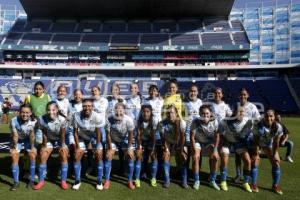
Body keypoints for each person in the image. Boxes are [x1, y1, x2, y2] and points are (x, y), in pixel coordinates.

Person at [33, 101, 69, 190]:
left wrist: (63, 145)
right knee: (43, 154)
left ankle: (63, 181)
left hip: (61, 137)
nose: (51, 112)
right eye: (48, 110)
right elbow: (44, 133)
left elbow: (63, 134)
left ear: (57, 110)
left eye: (53, 110)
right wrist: (44, 145)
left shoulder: (62, 119)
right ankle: (41, 181)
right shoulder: (42, 119)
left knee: (63, 154)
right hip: (49, 137)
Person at [71, 98, 105, 190]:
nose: (87, 108)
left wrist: (97, 146)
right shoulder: (76, 115)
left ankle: (99, 181)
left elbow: (98, 133)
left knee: (99, 154)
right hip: (82, 137)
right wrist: (77, 146)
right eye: (84, 106)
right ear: (82, 107)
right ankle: (77, 180)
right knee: (77, 155)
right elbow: (75, 132)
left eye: (89, 106)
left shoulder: (97, 116)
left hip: (94, 137)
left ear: (92, 107)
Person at [219, 106, 254, 192]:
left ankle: (245, 183)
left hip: (238, 142)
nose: (240, 113)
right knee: (224, 157)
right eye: (239, 111)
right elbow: (220, 132)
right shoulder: (226, 121)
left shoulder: (248, 122)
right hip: (227, 141)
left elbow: (250, 134)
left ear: (245, 113)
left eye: (242, 112)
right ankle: (223, 181)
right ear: (234, 112)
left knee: (248, 161)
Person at [104, 102, 136, 190]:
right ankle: (107, 180)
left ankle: (129, 181)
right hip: (113, 140)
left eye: (121, 111)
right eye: (116, 111)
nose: (119, 113)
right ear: (114, 111)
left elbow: (130, 135)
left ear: (124, 111)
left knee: (130, 156)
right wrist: (110, 148)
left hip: (125, 140)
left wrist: (129, 148)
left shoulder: (129, 120)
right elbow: (107, 135)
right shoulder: (109, 119)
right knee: (108, 156)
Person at [252, 108, 284, 195]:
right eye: (266, 116)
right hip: (257, 143)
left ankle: (275, 185)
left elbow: (276, 142)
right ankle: (254, 184)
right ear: (263, 116)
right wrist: (256, 152)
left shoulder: (278, 127)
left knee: (276, 162)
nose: (269, 118)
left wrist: (274, 154)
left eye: (271, 116)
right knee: (255, 161)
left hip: (269, 144)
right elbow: (255, 141)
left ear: (274, 117)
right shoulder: (258, 125)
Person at [190, 105, 220, 190]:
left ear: (210, 114)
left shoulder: (215, 122)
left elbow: (217, 136)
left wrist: (215, 150)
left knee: (216, 157)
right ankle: (196, 180)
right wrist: (194, 149)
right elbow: (192, 137)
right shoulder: (195, 121)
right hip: (198, 142)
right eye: (203, 113)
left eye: (207, 113)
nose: (205, 115)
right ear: (199, 114)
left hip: (208, 142)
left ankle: (212, 180)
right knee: (196, 157)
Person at [234, 88, 261, 183]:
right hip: (238, 136)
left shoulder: (252, 106)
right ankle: (238, 175)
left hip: (250, 136)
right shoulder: (236, 106)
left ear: (248, 95)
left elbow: (258, 119)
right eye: (241, 94)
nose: (243, 96)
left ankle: (248, 176)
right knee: (238, 157)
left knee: (251, 157)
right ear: (239, 96)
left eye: (244, 94)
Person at [9, 104, 37, 191]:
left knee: (32, 155)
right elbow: (15, 136)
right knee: (14, 156)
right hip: (18, 140)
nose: (25, 114)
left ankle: (32, 180)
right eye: (22, 112)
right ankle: (16, 182)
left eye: (27, 113)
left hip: (28, 140)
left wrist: (32, 147)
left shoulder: (34, 121)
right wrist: (14, 147)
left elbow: (32, 136)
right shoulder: (13, 120)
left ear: (31, 113)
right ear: (19, 112)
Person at [158, 105, 186, 188]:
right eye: (168, 113)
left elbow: (183, 137)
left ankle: (184, 180)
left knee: (183, 157)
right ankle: (167, 180)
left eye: (172, 112)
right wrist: (166, 148)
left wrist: (181, 150)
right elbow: (163, 138)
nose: (170, 115)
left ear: (176, 113)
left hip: (179, 142)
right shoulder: (161, 124)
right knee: (165, 156)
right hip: (168, 142)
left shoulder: (182, 123)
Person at [182, 84, 202, 187]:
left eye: (195, 91)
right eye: (191, 91)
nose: (193, 93)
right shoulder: (186, 104)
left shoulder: (200, 103)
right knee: (186, 158)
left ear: (197, 92)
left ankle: (196, 179)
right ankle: (185, 180)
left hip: (198, 135)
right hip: (187, 134)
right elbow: (183, 120)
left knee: (197, 158)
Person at [142, 84, 164, 179]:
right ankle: (144, 172)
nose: (153, 92)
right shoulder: (145, 101)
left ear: (157, 92)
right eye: (151, 90)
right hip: (148, 128)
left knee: (158, 152)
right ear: (149, 92)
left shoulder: (161, 101)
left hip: (158, 128)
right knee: (146, 152)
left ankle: (158, 172)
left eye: (155, 90)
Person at [135, 104, 158, 187]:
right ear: (141, 112)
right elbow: (138, 135)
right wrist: (139, 147)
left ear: (151, 112)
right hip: (142, 141)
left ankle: (153, 178)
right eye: (144, 112)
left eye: (148, 112)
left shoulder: (154, 120)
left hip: (151, 141)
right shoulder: (138, 121)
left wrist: (153, 148)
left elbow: (154, 136)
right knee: (139, 156)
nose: (145, 114)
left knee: (153, 156)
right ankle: (137, 178)